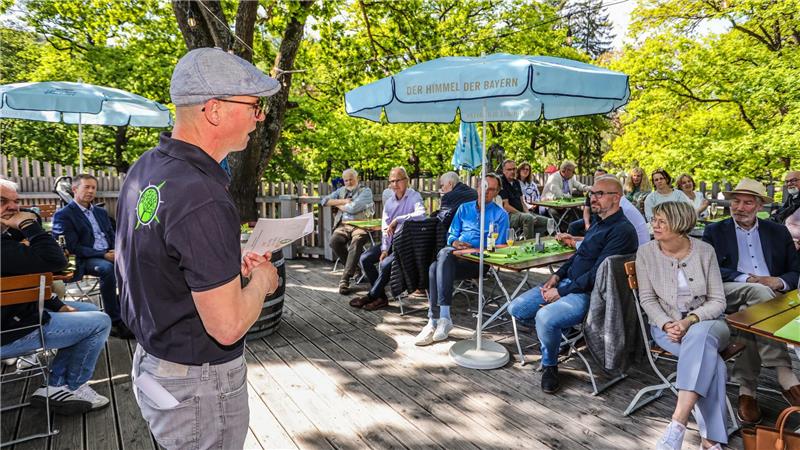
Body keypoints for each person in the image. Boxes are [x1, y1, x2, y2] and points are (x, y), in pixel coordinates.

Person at [115, 48, 281, 449]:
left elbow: (160, 260)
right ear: (214, 110)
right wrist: (261, 280)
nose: (259, 118)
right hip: (198, 386)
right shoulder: (202, 194)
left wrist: (224, 267)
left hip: (154, 362)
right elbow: (227, 327)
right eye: (254, 106)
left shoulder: (148, 167)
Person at [508, 176, 638, 394]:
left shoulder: (622, 231)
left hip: (591, 294)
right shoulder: (599, 222)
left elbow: (597, 274)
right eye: (592, 193)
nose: (592, 198)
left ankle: (550, 364)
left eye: (599, 194)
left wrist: (561, 292)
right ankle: (564, 334)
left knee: (545, 317)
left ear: (616, 198)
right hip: (568, 283)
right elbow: (579, 257)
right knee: (516, 308)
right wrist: (557, 276)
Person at [1, 177, 112, 415]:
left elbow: (28, 278)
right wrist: (29, 226)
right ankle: (68, 386)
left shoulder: (4, 242)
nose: (13, 208)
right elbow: (56, 260)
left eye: (15, 202)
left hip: (20, 314)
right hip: (10, 331)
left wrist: (57, 304)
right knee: (100, 322)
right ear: (74, 190)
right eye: (2, 201)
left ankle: (55, 384)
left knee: (90, 311)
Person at [702, 178, 800, 424]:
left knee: (752, 311)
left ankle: (747, 390)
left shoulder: (777, 231)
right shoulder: (715, 231)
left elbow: (794, 271)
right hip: (729, 291)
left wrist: (777, 282)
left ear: (759, 206)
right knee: (757, 294)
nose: (740, 207)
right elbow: (710, 269)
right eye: (736, 201)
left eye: (747, 202)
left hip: (769, 298)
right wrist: (748, 278)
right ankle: (784, 373)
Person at [636, 201, 729, 450]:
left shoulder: (704, 251)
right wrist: (667, 324)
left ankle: (677, 423)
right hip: (667, 330)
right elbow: (647, 299)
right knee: (714, 364)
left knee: (699, 336)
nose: (654, 225)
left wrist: (689, 321)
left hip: (709, 324)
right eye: (654, 219)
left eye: (662, 221)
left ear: (679, 223)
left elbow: (718, 300)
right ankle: (711, 442)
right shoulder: (645, 253)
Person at [415, 174, 509, 346]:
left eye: (492, 189)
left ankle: (437, 319)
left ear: (497, 192)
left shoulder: (500, 215)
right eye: (484, 186)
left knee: (437, 264)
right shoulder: (464, 208)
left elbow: (500, 247)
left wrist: (471, 250)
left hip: (478, 262)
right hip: (455, 257)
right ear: (478, 186)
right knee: (437, 263)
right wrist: (455, 242)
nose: (486, 192)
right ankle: (437, 320)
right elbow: (451, 235)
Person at [52, 174, 132, 339]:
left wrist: (118, 250)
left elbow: (113, 234)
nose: (91, 191)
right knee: (108, 269)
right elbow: (73, 247)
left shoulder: (101, 212)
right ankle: (114, 321)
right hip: (85, 258)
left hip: (110, 252)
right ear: (74, 189)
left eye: (93, 188)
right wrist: (104, 254)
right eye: (86, 187)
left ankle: (127, 309)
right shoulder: (64, 215)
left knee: (135, 263)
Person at [350, 167, 425, 310]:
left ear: (406, 181)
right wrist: (384, 249)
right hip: (392, 242)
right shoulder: (389, 203)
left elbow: (421, 215)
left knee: (385, 265)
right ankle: (381, 298)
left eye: (398, 180)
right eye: (392, 181)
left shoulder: (414, 196)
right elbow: (386, 229)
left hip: (409, 245)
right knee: (365, 258)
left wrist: (398, 219)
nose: (395, 184)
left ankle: (372, 296)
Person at [320, 168, 374, 294]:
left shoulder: (365, 191)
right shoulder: (341, 191)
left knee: (357, 240)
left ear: (357, 179)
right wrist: (343, 201)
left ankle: (345, 279)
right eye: (346, 180)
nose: (348, 182)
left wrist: (336, 204)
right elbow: (324, 201)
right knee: (334, 241)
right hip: (343, 226)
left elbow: (353, 208)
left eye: (351, 179)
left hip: (360, 225)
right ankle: (355, 270)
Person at [499, 159, 547, 239]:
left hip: (522, 213)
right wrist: (523, 214)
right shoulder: (501, 182)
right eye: (509, 169)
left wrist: (528, 213)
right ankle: (529, 244)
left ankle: (524, 238)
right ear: (504, 171)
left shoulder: (516, 182)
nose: (512, 171)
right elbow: (506, 206)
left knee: (548, 222)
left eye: (514, 169)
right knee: (528, 218)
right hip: (508, 215)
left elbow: (522, 202)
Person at [567, 168, 607, 236]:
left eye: (600, 177)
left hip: (603, 219)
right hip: (592, 218)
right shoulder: (591, 191)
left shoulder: (608, 192)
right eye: (596, 177)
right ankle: (574, 244)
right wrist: (587, 224)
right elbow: (586, 210)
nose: (598, 179)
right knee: (572, 226)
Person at [770, 170, 800, 251]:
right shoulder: (792, 196)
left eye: (793, 180)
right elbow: (784, 210)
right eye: (787, 181)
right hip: (784, 240)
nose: (789, 184)